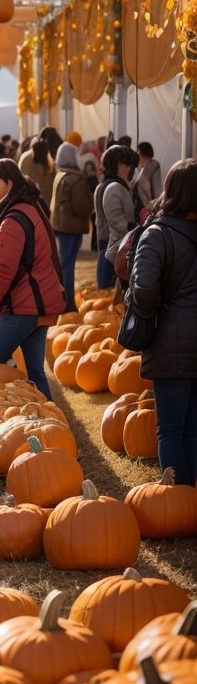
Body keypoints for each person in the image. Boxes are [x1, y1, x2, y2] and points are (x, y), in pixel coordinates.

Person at [0, 158, 66, 398]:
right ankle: (46, 412)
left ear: (9, 183)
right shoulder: (28, 207)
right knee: (35, 371)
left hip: (25, 304)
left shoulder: (12, 219)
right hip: (40, 302)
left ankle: (16, 400)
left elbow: (3, 269)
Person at [128, 159, 197, 487]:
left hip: (171, 341)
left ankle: (178, 502)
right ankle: (191, 498)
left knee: (169, 430)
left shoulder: (157, 234)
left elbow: (143, 291)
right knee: (193, 428)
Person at [50, 142, 94, 312]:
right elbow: (83, 207)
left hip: (60, 226)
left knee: (63, 264)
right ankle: (67, 303)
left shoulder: (59, 175)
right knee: (67, 266)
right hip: (72, 227)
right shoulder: (77, 179)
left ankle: (60, 300)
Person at [95, 144, 136, 289]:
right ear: (119, 165)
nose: (129, 168)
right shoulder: (115, 187)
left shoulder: (106, 185)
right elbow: (118, 226)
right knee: (112, 294)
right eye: (127, 164)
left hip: (109, 248)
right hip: (114, 252)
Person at [134, 141, 162, 217]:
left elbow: (156, 188)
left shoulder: (153, 165)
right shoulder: (141, 167)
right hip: (144, 206)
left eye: (138, 151)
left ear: (140, 152)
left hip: (147, 207)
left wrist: (155, 206)